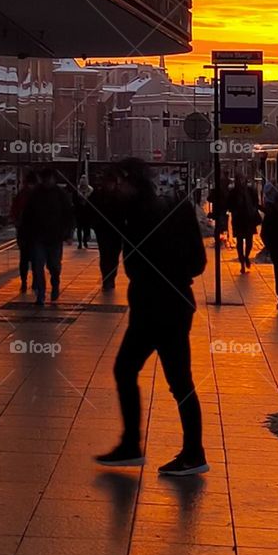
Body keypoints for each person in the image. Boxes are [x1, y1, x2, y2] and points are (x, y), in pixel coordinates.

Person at [95, 156, 209, 476]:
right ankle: (146, 447)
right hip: (165, 304)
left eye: (116, 182)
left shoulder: (142, 213)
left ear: (130, 181)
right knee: (158, 376)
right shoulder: (165, 206)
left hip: (159, 307)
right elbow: (198, 263)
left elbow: (156, 261)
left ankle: (188, 453)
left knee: (170, 379)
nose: (112, 188)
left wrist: (159, 275)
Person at [19, 168, 74, 305]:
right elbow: (27, 216)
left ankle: (55, 284)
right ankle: (41, 294)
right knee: (38, 266)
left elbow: (69, 215)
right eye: (45, 179)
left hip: (55, 237)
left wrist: (68, 233)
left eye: (49, 179)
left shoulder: (60, 195)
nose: (47, 181)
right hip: (38, 237)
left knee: (53, 266)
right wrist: (25, 234)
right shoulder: (35, 195)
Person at [90, 166, 125, 290]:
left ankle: (111, 277)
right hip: (103, 231)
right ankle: (107, 278)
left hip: (116, 231)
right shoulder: (98, 195)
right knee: (105, 256)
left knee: (113, 256)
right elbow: (91, 211)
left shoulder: (120, 197)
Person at [10, 171, 38, 293]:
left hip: (23, 231)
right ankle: (35, 281)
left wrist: (16, 222)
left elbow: (14, 211)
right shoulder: (38, 194)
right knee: (36, 258)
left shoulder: (21, 194)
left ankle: (24, 282)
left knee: (24, 258)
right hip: (35, 232)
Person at [228, 175, 262, 272]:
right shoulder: (233, 192)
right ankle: (242, 263)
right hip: (238, 220)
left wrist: (255, 209)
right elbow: (229, 204)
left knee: (249, 242)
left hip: (248, 219)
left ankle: (246, 256)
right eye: (239, 180)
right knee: (239, 243)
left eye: (242, 180)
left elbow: (255, 202)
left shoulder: (250, 191)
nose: (241, 182)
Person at [74, 174, 94, 250]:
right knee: (79, 228)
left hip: (87, 212)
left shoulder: (90, 190)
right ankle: (80, 243)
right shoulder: (77, 189)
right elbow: (75, 200)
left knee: (86, 228)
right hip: (79, 212)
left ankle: (85, 240)